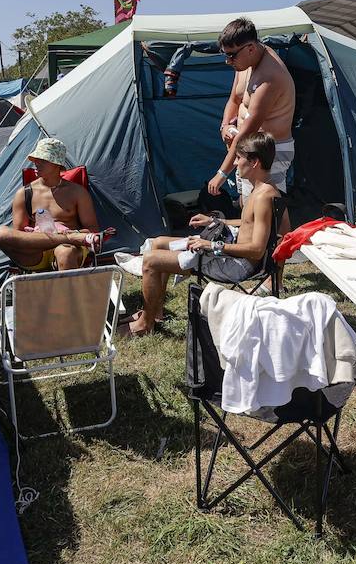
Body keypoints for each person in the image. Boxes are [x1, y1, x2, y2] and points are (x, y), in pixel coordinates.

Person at [127, 132, 280, 336]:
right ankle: (156, 312)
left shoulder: (263, 196)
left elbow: (256, 250)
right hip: (232, 255)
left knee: (151, 259)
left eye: (239, 158)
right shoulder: (261, 189)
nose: (234, 163)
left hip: (237, 266)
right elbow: (248, 223)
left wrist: (212, 246)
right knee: (158, 243)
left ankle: (144, 325)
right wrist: (215, 222)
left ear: (254, 162)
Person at [206, 18, 296, 207]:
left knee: (265, 210)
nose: (228, 61)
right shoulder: (244, 63)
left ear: (250, 48)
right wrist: (225, 126)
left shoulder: (270, 76)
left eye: (231, 55)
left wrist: (222, 173)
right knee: (247, 206)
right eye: (225, 55)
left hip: (270, 151)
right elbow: (234, 99)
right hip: (245, 149)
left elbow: (249, 129)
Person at [0, 137, 103, 272]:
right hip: (37, 251)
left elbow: (92, 230)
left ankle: (66, 290)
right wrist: (61, 237)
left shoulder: (77, 192)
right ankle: (67, 238)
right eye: (35, 160)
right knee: (1, 233)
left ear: (57, 164)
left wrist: (69, 233)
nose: (36, 164)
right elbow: (20, 234)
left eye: (42, 160)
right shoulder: (24, 193)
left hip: (70, 248)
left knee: (65, 253)